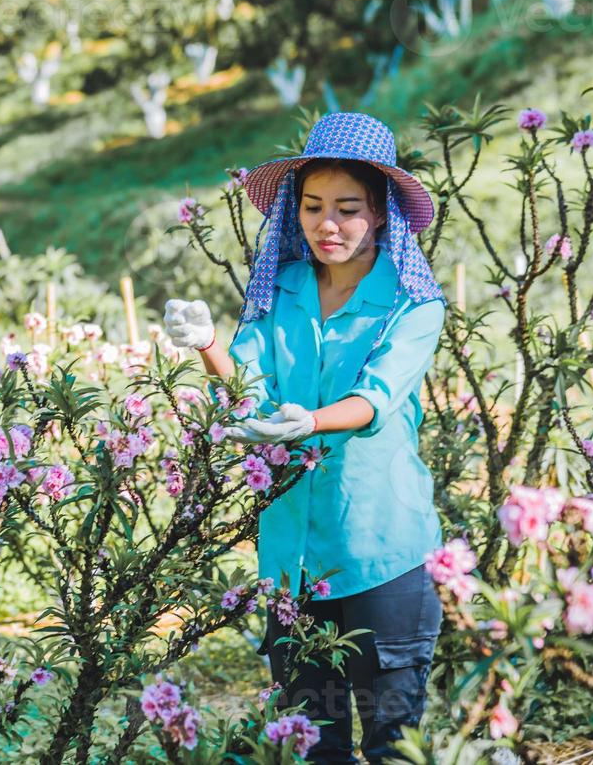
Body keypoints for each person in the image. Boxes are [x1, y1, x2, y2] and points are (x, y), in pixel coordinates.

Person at [162, 111, 449, 764]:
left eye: (348, 209)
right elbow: (247, 388)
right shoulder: (284, 288)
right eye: (314, 206)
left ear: (379, 213)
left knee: (393, 742)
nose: (328, 224)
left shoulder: (413, 304)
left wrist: (310, 422)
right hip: (292, 558)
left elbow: (376, 397)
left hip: (382, 552)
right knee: (310, 742)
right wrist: (208, 343)